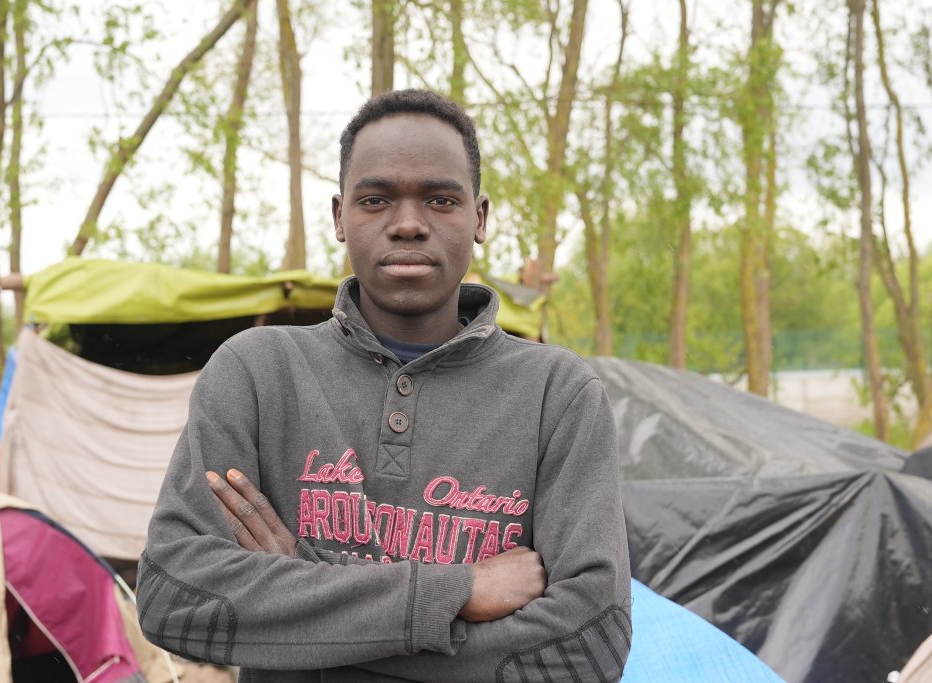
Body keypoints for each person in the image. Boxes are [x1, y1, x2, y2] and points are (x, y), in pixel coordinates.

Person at [137, 88, 631, 682]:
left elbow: (588, 645)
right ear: (340, 216)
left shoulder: (558, 394)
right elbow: (178, 601)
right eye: (375, 200)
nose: (407, 225)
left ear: (479, 218)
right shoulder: (258, 373)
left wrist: (301, 584)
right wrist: (458, 592)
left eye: (441, 200)